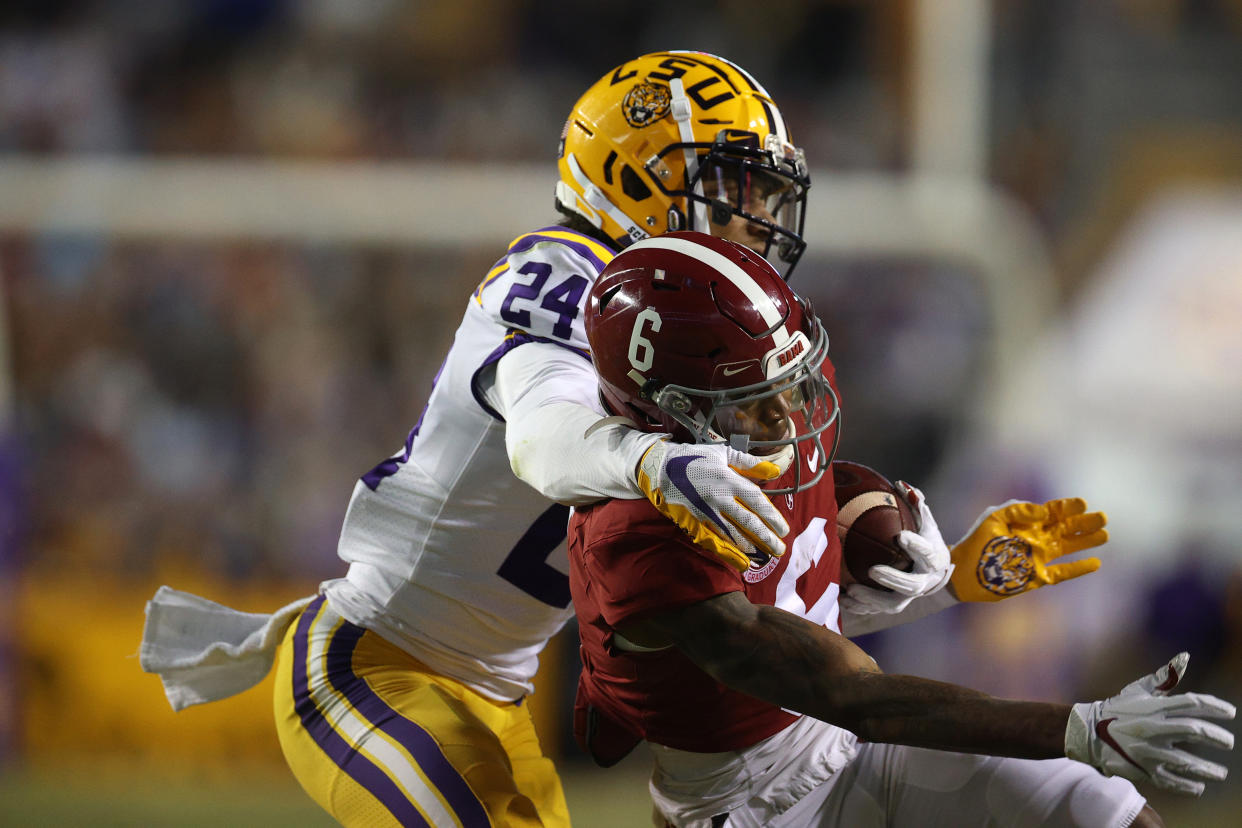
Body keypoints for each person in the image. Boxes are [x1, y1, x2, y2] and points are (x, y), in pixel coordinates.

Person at [141, 52, 1111, 827]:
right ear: (634, 180)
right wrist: (652, 460)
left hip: (502, 690)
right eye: (734, 183)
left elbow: (764, 619)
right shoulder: (573, 284)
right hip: (377, 665)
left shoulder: (697, 330)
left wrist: (946, 581)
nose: (761, 215)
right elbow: (546, 436)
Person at [568, 231, 1235, 828]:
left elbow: (804, 618)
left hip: (841, 746)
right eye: (751, 397)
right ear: (674, 412)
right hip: (741, 806)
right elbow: (844, 692)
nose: (790, 412)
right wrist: (1082, 728)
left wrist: (949, 579)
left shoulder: (762, 425)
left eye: (788, 378)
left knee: (1097, 809)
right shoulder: (634, 536)